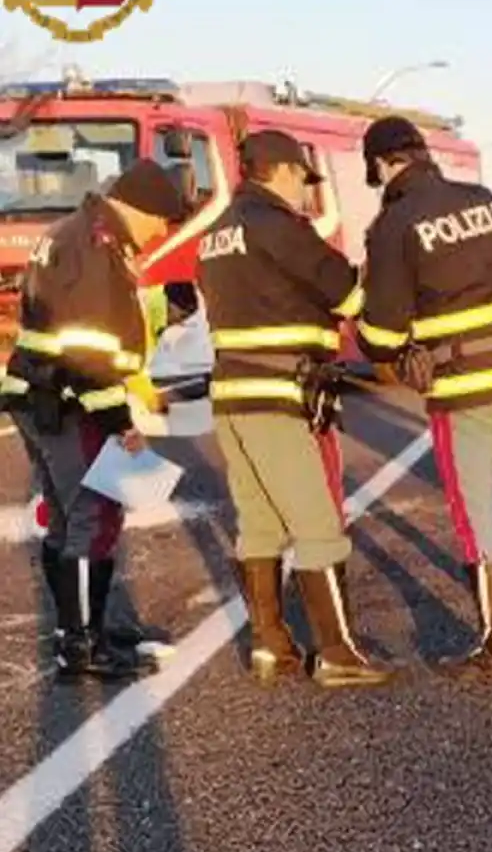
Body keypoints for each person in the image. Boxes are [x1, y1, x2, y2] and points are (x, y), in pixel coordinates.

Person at [355, 115, 492, 680]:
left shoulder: (394, 223)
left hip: (462, 388)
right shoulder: (486, 199)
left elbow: (379, 334)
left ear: (383, 165)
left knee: (476, 511)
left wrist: (409, 341)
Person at [196, 130, 392, 688]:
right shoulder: (281, 228)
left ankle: (270, 646)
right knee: (317, 525)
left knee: (258, 524)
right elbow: (348, 295)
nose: (307, 193)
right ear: (282, 172)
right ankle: (336, 653)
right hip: (279, 394)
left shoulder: (217, 234)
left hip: (231, 394)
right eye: (303, 181)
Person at [2, 159, 190, 682]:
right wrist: (119, 424)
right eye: (162, 222)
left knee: (65, 518)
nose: (161, 235)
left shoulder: (74, 230)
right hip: (67, 400)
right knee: (95, 516)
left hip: (38, 394)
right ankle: (84, 646)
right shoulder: (97, 247)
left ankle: (78, 628)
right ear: (142, 208)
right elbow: (91, 352)